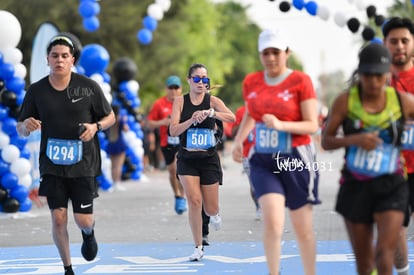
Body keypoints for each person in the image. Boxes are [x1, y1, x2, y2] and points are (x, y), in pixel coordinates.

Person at [16, 35, 115, 275]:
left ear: (72, 60)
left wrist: (95, 127)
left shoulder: (88, 86)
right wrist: (25, 126)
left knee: (82, 219)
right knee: (58, 219)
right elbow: (19, 128)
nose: (59, 60)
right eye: (54, 56)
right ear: (47, 60)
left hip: (83, 164)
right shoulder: (37, 91)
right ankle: (67, 268)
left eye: (64, 56)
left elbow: (110, 117)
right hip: (52, 164)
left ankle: (88, 232)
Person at [231, 28, 320, 275]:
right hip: (263, 159)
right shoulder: (252, 81)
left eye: (276, 52)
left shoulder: (300, 81)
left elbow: (312, 124)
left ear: (287, 53)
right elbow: (251, 110)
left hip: (296, 157)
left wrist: (282, 125)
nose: (271, 58)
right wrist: (239, 139)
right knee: (272, 222)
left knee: (302, 228)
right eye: (266, 53)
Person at [322, 42, 414, 275]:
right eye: (367, 75)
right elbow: (326, 140)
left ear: (388, 75)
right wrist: (355, 140)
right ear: (359, 73)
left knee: (384, 255)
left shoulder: (403, 102)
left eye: (379, 76)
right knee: (365, 266)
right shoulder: (345, 102)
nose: (373, 82)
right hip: (355, 185)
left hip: (391, 185)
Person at [169, 63, 235, 261]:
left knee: (210, 208)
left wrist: (211, 113)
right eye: (196, 78)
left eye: (204, 79)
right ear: (189, 80)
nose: (200, 82)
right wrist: (192, 120)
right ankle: (198, 247)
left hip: (208, 160)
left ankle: (214, 214)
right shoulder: (180, 101)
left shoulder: (213, 101)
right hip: (187, 158)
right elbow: (173, 130)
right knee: (194, 201)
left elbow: (232, 117)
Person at [383, 16, 414, 275]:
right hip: (391, 168)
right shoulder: (377, 81)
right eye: (394, 41)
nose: (400, 46)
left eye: (405, 40)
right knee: (394, 228)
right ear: (385, 44)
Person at [147, 75, 187, 214]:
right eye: (171, 88)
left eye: (176, 87)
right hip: (167, 141)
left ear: (181, 89)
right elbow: (150, 123)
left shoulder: (186, 102)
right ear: (166, 89)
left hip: (183, 141)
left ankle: (182, 196)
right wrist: (162, 122)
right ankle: (177, 194)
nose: (174, 90)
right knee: (172, 170)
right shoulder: (159, 104)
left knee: (179, 168)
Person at [231, 105, 260, 219]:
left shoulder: (270, 107)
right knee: (254, 185)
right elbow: (233, 133)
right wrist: (245, 123)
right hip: (247, 152)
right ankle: (258, 205)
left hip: (267, 152)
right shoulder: (241, 111)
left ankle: (269, 206)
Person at [105, 104, 129, 191]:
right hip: (119, 143)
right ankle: (117, 183)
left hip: (111, 143)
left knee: (113, 165)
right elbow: (126, 129)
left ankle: (112, 182)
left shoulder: (108, 120)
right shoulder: (120, 120)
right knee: (118, 165)